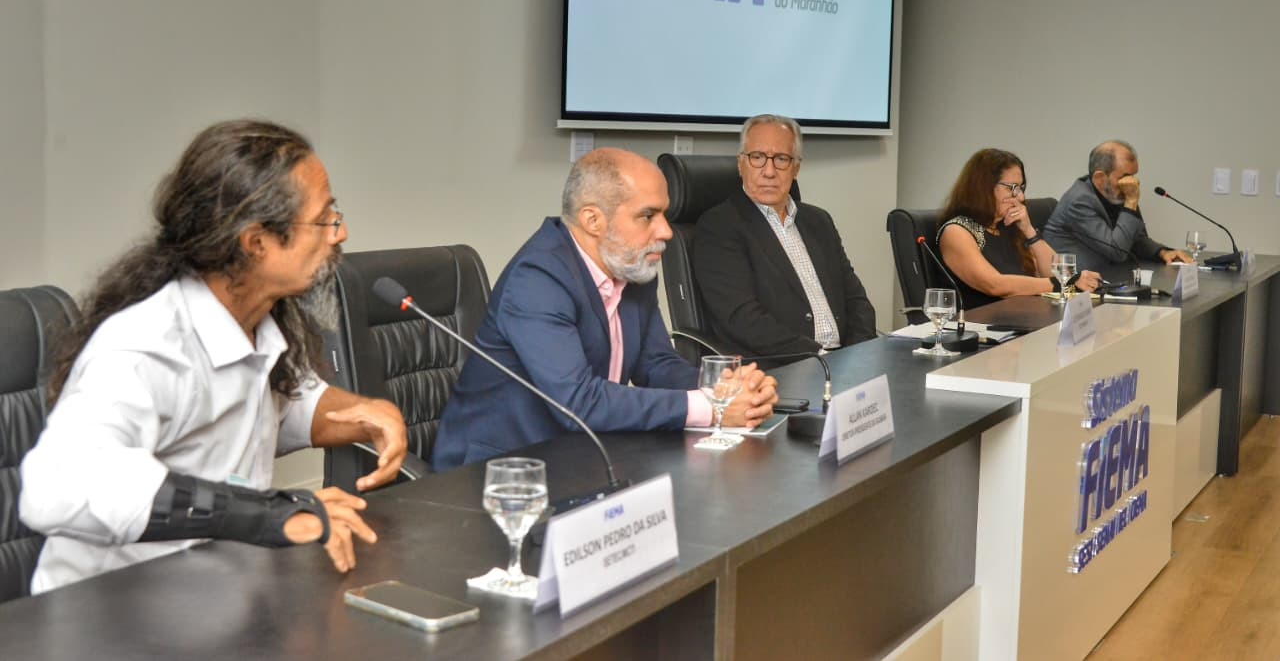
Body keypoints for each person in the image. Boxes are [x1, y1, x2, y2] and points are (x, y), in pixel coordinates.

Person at [20, 119, 408, 593]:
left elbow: (281, 406)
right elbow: (55, 489)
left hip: (211, 597)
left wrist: (368, 413)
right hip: (109, 613)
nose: (339, 231)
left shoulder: (257, 323)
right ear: (256, 242)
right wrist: (269, 513)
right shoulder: (145, 346)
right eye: (324, 219)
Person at [431, 148, 777, 471]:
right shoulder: (538, 278)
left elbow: (656, 365)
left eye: (664, 214)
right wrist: (709, 408)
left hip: (585, 455)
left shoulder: (630, 265)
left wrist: (727, 390)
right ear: (593, 220)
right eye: (648, 216)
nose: (666, 231)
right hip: (501, 471)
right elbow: (578, 402)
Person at [692, 114, 876, 358]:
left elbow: (856, 301)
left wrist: (858, 355)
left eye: (781, 159)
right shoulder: (719, 226)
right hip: (783, 365)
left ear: (796, 167)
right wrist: (819, 357)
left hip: (845, 360)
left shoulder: (819, 221)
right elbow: (743, 319)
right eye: (757, 157)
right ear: (740, 164)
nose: (769, 171)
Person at [937, 148, 1101, 310]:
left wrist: (1029, 231)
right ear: (984, 187)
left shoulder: (1009, 227)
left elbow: (1055, 274)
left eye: (1021, 188)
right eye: (1012, 188)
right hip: (983, 323)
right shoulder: (957, 231)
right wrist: (1063, 284)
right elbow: (995, 285)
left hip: (1026, 315)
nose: (1020, 197)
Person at [1042, 140, 1192, 272]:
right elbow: (1117, 251)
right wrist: (1131, 201)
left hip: (1110, 276)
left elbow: (1135, 239)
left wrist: (1162, 252)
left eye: (1133, 176)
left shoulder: (1114, 193)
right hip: (1074, 286)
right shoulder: (1079, 201)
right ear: (1100, 178)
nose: (1133, 183)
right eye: (1125, 177)